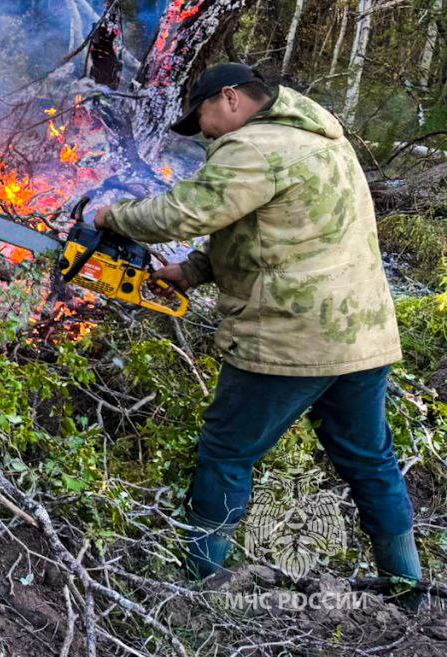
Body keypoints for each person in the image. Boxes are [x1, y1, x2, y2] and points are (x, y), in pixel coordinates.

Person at [93, 63, 420, 602]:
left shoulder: (254, 146)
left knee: (227, 452)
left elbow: (182, 214)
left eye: (202, 117)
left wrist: (111, 218)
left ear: (229, 99)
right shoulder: (317, 136)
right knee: (371, 459)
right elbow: (276, 230)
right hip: (360, 333)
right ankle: (408, 585)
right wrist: (193, 272)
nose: (203, 132)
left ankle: (199, 588)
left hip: (291, 336)